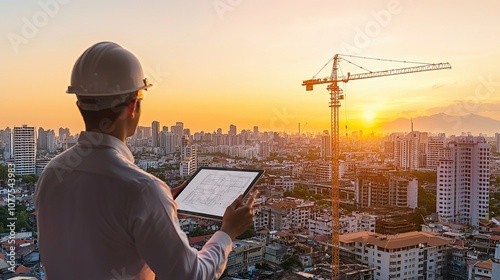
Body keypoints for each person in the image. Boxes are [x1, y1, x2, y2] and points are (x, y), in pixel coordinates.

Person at [34, 42, 257, 280]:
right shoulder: (143, 190)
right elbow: (191, 275)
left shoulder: (52, 173)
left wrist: (161, 209)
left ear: (79, 104)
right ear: (133, 106)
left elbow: (97, 224)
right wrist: (228, 232)